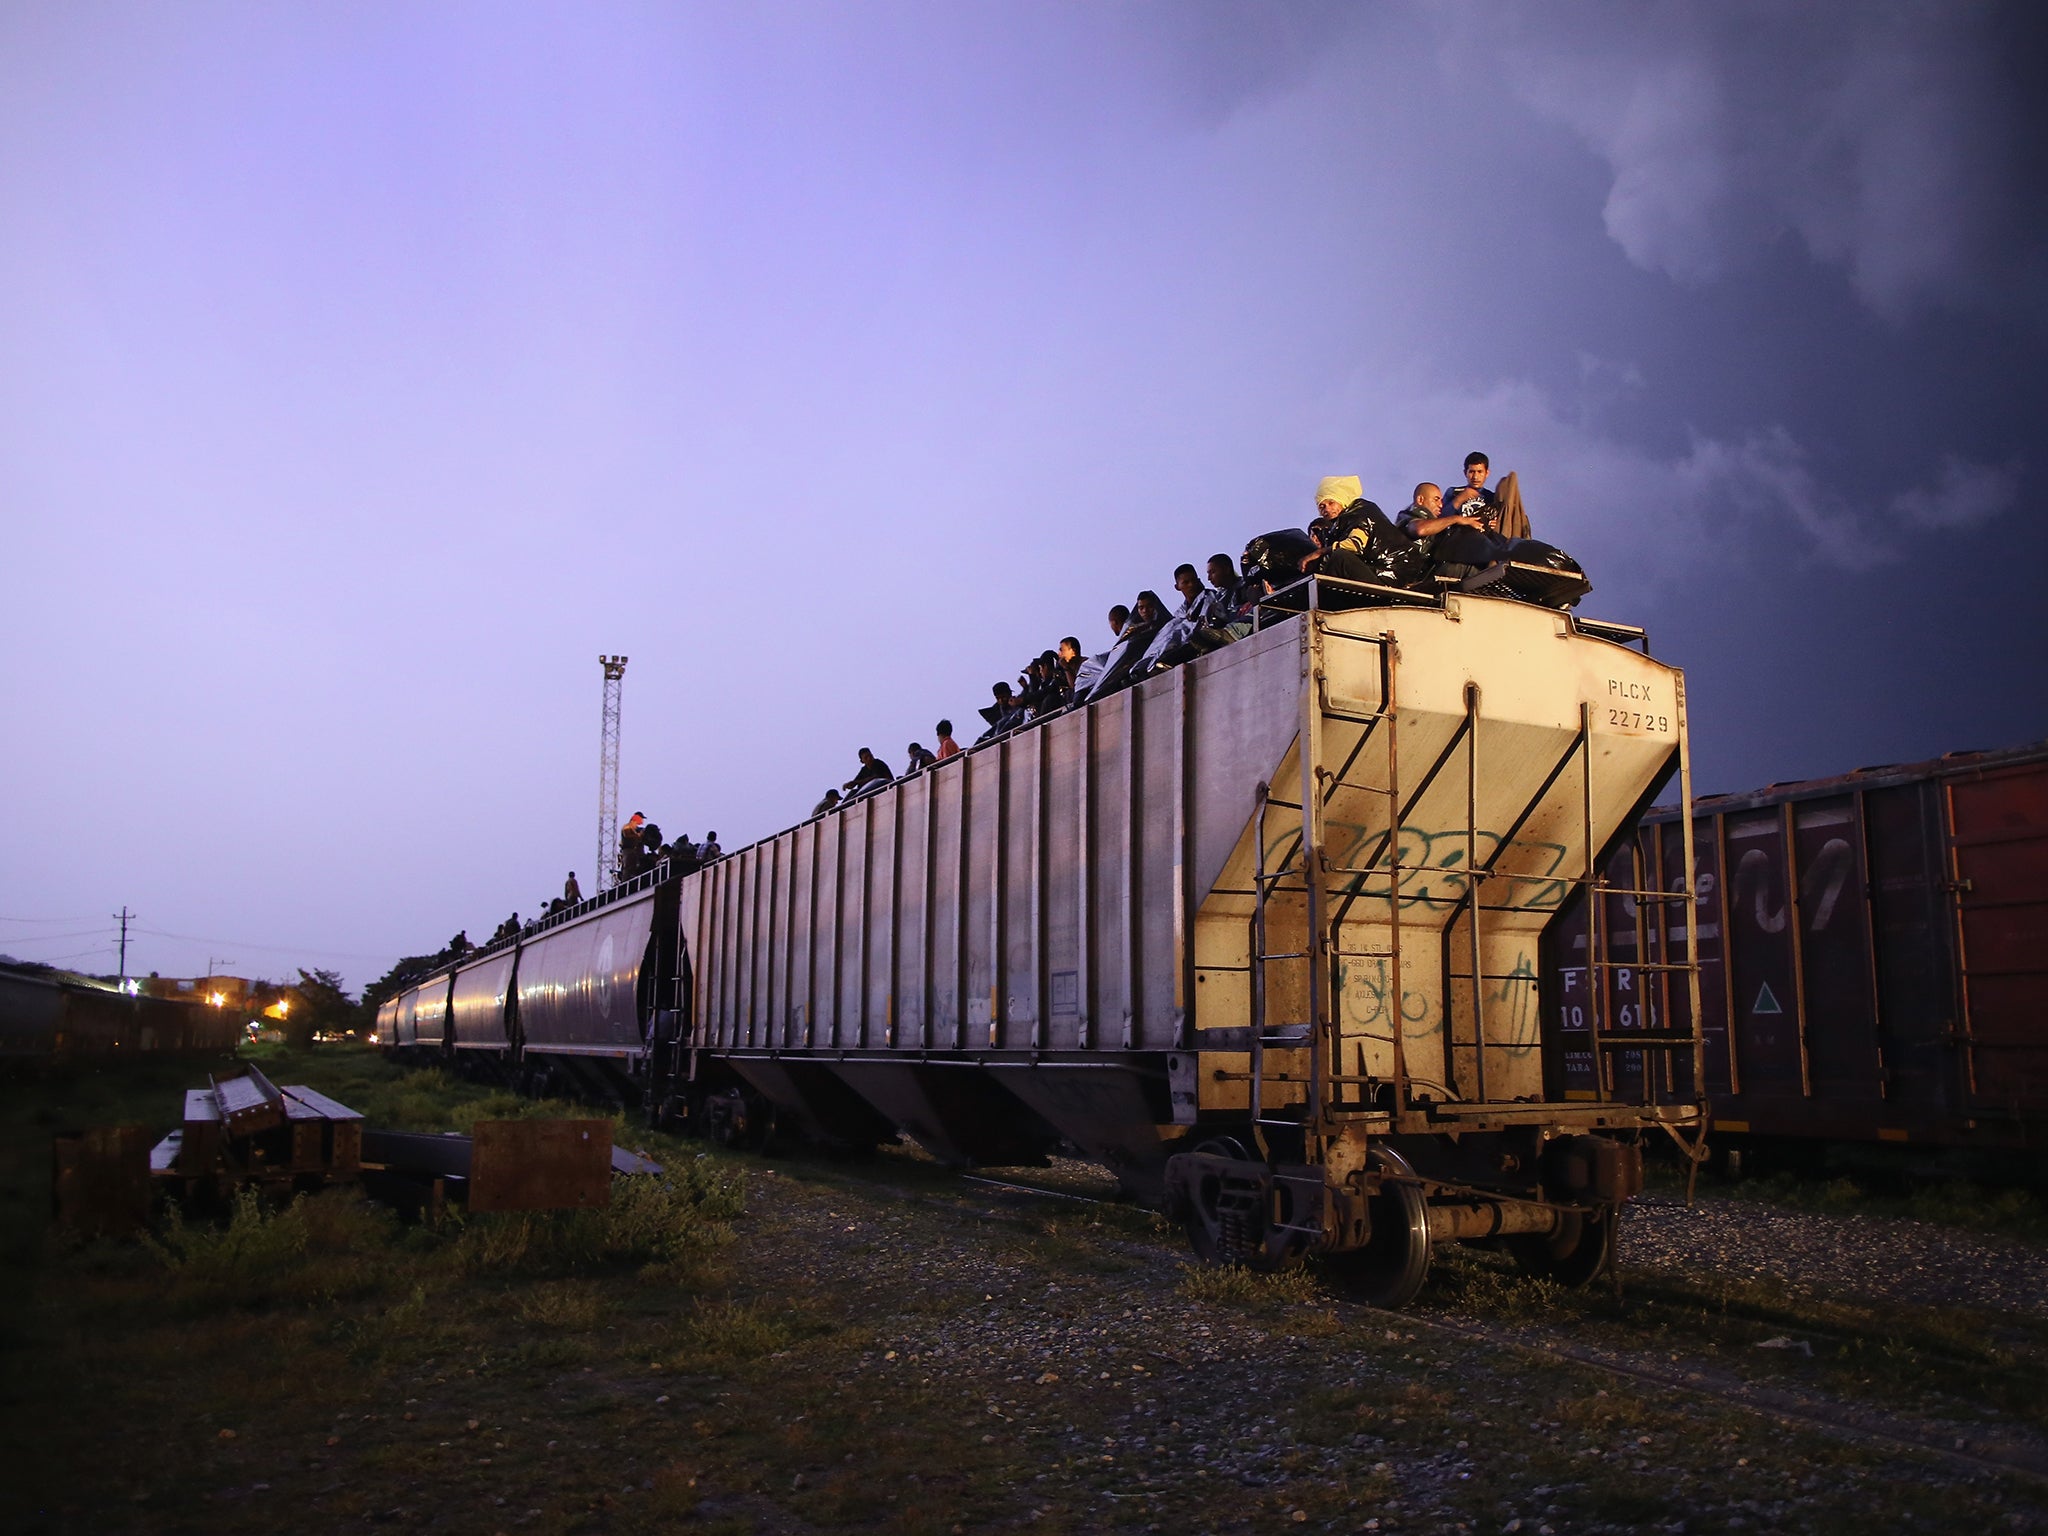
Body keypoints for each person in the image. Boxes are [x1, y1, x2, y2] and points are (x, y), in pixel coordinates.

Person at [1445, 452, 1499, 526]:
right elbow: (1440, 518)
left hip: (1482, 536)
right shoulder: (1453, 492)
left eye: (1480, 472)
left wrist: (1496, 525)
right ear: (1465, 473)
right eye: (1471, 472)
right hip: (1458, 535)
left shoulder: (1492, 498)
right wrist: (1459, 499)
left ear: (1487, 473)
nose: (1475, 477)